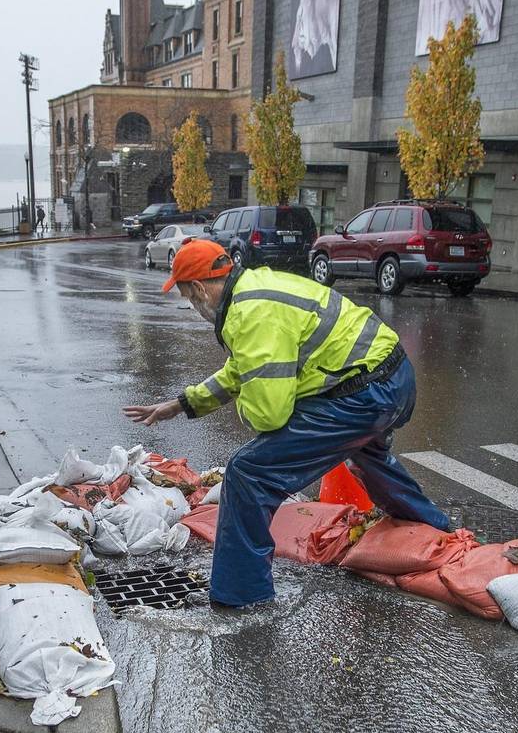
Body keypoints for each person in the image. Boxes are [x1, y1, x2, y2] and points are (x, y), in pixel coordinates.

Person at [124, 240, 449, 607]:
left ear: (199, 288)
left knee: (248, 474)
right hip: (392, 377)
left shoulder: (251, 314)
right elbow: (240, 370)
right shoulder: (255, 288)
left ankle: (242, 596)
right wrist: (182, 403)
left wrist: (246, 403)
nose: (192, 306)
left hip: (365, 392)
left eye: (187, 297)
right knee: (365, 452)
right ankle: (433, 526)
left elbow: (268, 415)